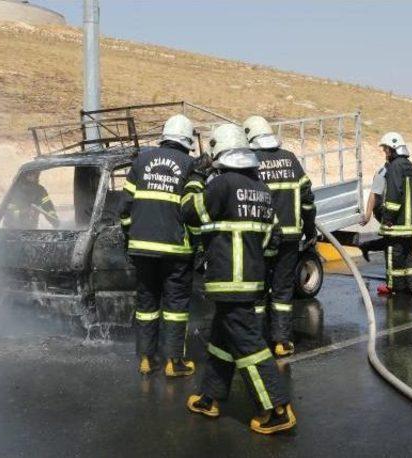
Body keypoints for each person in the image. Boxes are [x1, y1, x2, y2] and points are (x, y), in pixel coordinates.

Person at [182, 123, 296, 435]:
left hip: (229, 282)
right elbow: (272, 238)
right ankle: (210, 397)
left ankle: (276, 408)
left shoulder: (222, 185)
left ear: (219, 151)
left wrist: (195, 177)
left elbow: (190, 211)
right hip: (252, 280)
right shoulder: (261, 189)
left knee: (250, 347)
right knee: (222, 340)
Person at [121, 114, 197, 376]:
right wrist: (198, 243)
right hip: (176, 250)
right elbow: (192, 211)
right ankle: (174, 362)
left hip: (142, 248)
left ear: (165, 135)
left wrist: (130, 235)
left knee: (147, 303)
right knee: (175, 305)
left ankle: (146, 359)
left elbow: (126, 205)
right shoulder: (190, 164)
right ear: (187, 140)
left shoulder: (141, 160)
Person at [243, 115, 316, 357]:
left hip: (261, 239)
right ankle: (282, 341)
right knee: (283, 289)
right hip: (290, 238)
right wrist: (309, 229)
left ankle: (257, 340)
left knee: (259, 288)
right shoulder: (290, 159)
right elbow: (307, 199)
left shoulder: (252, 161)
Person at [377, 132, 412, 295]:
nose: (385, 153)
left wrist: (387, 217)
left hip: (398, 224)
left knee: (394, 256)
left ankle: (394, 286)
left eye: (386, 149)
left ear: (392, 149)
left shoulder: (395, 167)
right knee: (408, 256)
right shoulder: (411, 167)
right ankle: (410, 285)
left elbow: (394, 195)